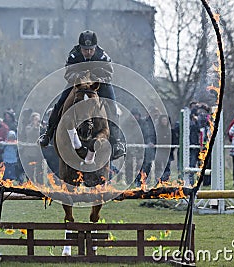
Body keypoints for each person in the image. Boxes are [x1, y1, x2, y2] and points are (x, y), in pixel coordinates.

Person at [38, 30, 126, 160]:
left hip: (99, 85)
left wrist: (98, 79)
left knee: (112, 106)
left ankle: (117, 142)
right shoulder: (74, 55)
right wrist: (77, 77)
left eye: (91, 49)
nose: (88, 52)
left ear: (95, 47)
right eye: (85, 50)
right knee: (59, 103)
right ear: (80, 47)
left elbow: (109, 74)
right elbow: (67, 73)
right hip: (78, 84)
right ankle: (48, 134)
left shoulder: (102, 56)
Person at [134, 106, 159, 187]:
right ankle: (139, 181)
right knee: (144, 164)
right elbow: (146, 133)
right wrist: (149, 142)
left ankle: (146, 181)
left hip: (155, 147)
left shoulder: (158, 121)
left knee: (150, 165)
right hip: (146, 146)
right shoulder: (145, 122)